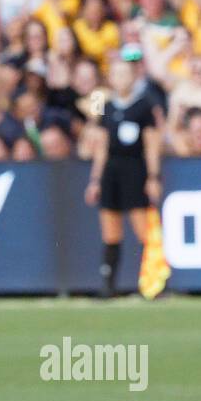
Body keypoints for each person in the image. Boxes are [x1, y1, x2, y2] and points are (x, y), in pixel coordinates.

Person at [85, 52, 162, 296]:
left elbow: (151, 145)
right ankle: (108, 285)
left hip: (135, 170)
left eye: (125, 73)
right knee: (110, 230)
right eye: (116, 74)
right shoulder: (105, 106)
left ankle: (154, 284)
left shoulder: (144, 105)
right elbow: (100, 147)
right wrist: (95, 180)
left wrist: (152, 176)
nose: (121, 78)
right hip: (111, 172)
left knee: (143, 230)